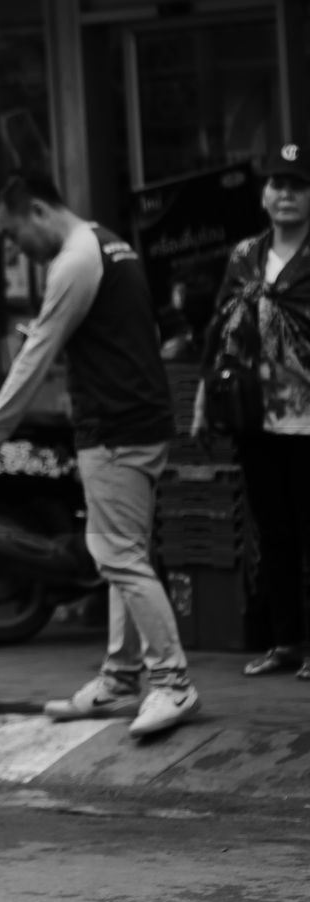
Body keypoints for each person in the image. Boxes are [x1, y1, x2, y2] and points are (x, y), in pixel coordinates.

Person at [0, 170, 200, 737]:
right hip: (135, 420)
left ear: (39, 213)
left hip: (118, 428)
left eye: (12, 232)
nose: (13, 247)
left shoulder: (74, 261)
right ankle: (121, 679)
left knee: (119, 555)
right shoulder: (107, 242)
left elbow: (35, 358)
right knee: (123, 554)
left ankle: (172, 683)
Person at [192, 143, 310, 682]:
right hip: (257, 417)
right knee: (275, 532)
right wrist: (202, 403)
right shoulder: (244, 257)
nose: (285, 194)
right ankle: (286, 641)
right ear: (264, 195)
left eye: (297, 185)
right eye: (277, 184)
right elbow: (219, 335)